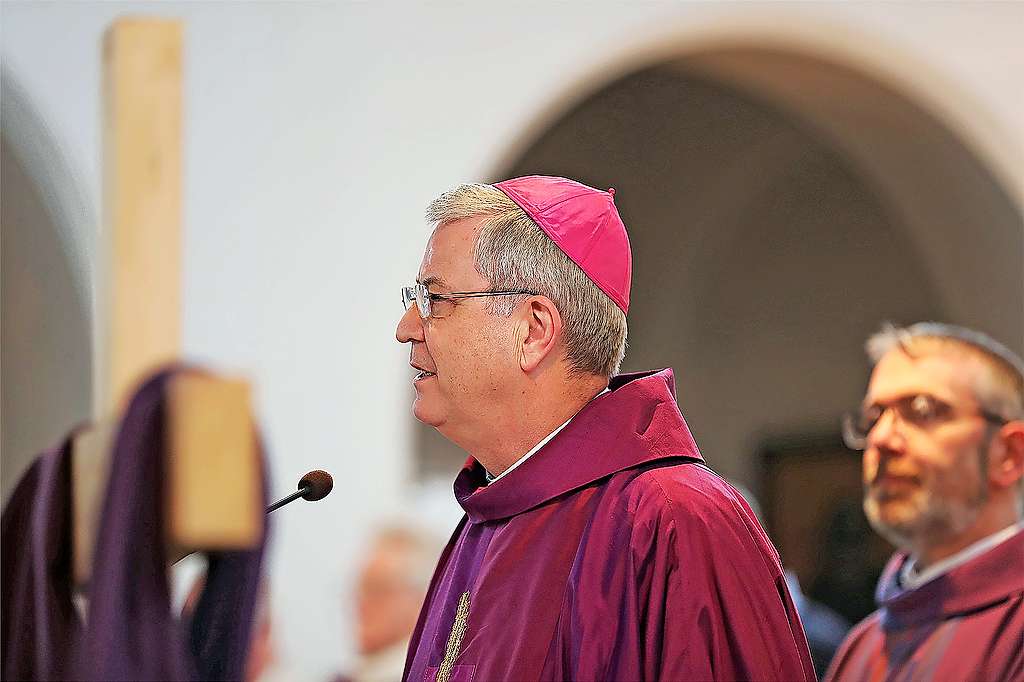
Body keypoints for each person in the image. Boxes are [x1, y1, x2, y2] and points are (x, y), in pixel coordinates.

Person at [394, 176, 814, 681]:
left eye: (437, 300)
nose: (407, 328)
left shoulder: (675, 519)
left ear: (533, 330)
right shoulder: (483, 521)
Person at [826, 323, 1024, 681]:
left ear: (1008, 454)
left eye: (923, 410)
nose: (882, 439)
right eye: (874, 418)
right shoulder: (860, 647)